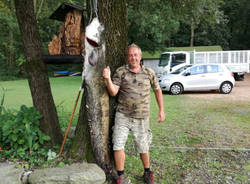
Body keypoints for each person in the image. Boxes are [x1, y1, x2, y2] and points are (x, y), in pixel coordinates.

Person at [103, 44, 165, 184]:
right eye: (130, 55)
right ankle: (120, 176)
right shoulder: (121, 72)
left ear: (140, 56)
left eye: (136, 55)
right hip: (122, 116)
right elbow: (113, 92)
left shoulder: (149, 73)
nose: (133, 58)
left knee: (143, 146)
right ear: (127, 57)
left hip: (142, 117)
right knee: (117, 145)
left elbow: (157, 90)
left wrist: (161, 110)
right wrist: (107, 78)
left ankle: (148, 172)